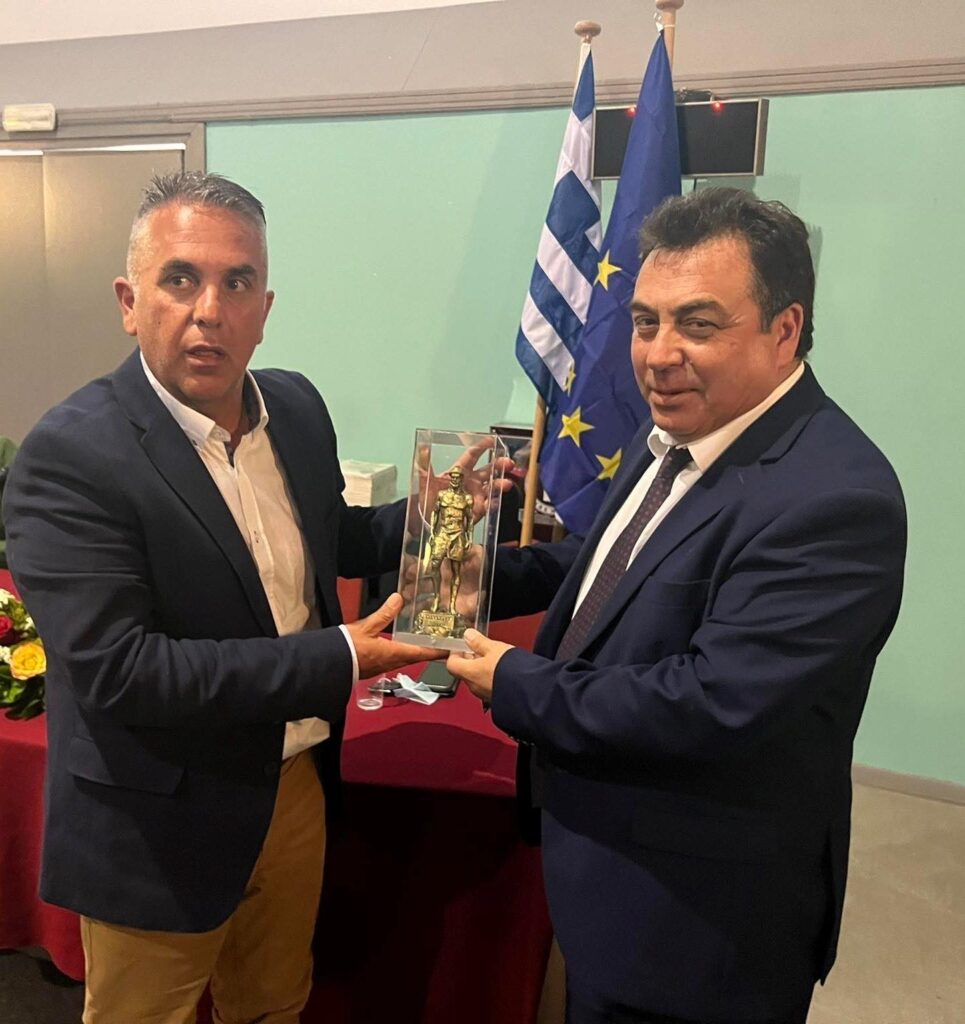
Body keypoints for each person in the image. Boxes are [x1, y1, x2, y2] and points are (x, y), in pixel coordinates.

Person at [450, 188, 907, 1024]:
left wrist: (515, 683)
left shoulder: (835, 499)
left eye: (696, 324)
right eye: (644, 321)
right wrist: (475, 569)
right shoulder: (675, 431)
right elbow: (614, 566)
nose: (658, 356)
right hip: (607, 880)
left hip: (698, 930)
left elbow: (710, 703)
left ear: (784, 329)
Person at [2, 170, 445, 1024]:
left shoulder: (296, 408)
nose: (210, 309)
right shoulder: (71, 456)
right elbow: (124, 672)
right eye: (180, 279)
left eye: (237, 282)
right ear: (130, 302)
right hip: (157, 818)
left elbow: (334, 540)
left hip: (292, 787)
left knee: (274, 1006)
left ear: (264, 308)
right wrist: (340, 656)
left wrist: (451, 515)